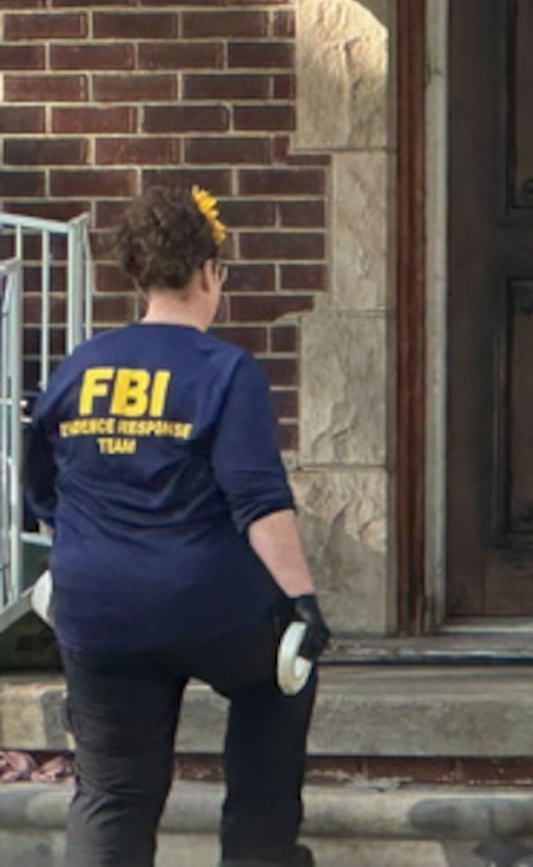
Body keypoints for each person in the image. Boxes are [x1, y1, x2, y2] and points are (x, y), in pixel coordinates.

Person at [25, 184, 331, 867]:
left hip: (96, 609)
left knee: (112, 793)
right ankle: (260, 853)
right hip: (210, 603)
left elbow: (44, 490)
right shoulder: (225, 372)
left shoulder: (77, 368)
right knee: (282, 681)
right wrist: (303, 605)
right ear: (208, 272)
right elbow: (257, 500)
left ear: (137, 274)